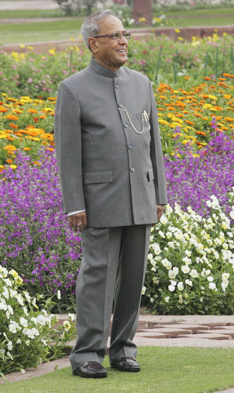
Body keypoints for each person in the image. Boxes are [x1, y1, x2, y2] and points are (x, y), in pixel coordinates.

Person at [54, 10, 168, 379]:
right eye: (114, 36)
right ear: (94, 43)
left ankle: (123, 349)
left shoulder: (142, 84)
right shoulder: (73, 89)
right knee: (97, 278)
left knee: (134, 278)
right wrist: (75, 204)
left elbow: (155, 147)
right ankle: (87, 353)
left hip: (141, 196)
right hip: (99, 200)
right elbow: (68, 155)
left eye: (125, 34)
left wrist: (159, 194)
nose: (123, 42)